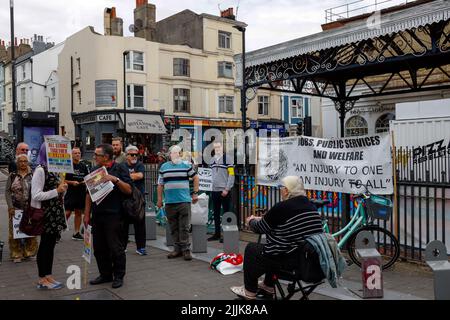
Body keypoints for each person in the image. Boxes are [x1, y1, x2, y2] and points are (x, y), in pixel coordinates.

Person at [230, 176, 324, 300]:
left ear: (286, 190)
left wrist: (251, 221)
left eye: (281, 188)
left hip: (290, 262)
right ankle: (267, 285)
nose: (280, 190)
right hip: (310, 261)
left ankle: (249, 291)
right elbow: (285, 224)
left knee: (252, 249)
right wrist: (265, 220)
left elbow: (260, 228)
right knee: (276, 247)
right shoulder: (310, 206)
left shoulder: (283, 207)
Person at [84, 144, 132, 289]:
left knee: (115, 247)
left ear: (106, 157)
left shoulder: (120, 168)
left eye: (96, 155)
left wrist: (115, 179)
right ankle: (105, 274)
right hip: (98, 214)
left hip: (114, 215)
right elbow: (88, 193)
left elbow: (129, 190)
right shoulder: (94, 170)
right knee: (99, 247)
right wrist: (86, 215)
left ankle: (118, 276)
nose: (94, 157)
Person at [32, 144, 68, 290]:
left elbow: (58, 193)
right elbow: (36, 194)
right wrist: (56, 190)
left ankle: (48, 275)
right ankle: (42, 278)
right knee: (45, 246)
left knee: (51, 246)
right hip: (46, 215)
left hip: (55, 215)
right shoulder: (40, 170)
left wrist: (62, 190)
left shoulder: (54, 170)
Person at [157, 145, 199, 261]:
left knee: (184, 227)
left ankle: (186, 250)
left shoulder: (186, 166)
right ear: (169, 155)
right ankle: (177, 249)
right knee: (173, 227)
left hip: (184, 201)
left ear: (180, 154)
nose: (176, 155)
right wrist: (159, 200)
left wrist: (195, 193)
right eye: (173, 153)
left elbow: (196, 177)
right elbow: (160, 184)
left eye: (178, 153)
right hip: (170, 202)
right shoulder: (164, 167)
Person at [5, 154, 38, 263]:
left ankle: (29, 252)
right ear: (17, 163)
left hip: (30, 208)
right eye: (20, 161)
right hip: (16, 208)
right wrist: (10, 207)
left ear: (28, 162)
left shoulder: (33, 175)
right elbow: (8, 191)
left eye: (25, 161)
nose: (23, 163)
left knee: (30, 231)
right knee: (15, 232)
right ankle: (16, 254)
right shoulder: (12, 176)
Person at [122, 145, 147, 256]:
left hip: (138, 200)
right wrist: (130, 176)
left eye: (136, 154)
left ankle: (141, 247)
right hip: (125, 198)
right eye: (132, 154)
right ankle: (122, 246)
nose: (134, 156)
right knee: (123, 224)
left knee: (140, 224)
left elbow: (140, 176)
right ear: (126, 155)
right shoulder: (121, 166)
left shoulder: (140, 165)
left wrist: (126, 177)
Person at [208, 142, 235, 242]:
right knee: (216, 213)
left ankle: (227, 235)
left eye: (219, 147)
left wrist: (227, 189)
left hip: (224, 191)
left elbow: (231, 174)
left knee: (227, 214)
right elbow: (211, 175)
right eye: (215, 147)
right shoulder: (212, 160)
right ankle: (217, 234)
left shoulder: (228, 159)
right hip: (214, 190)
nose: (217, 149)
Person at [65, 147, 90, 241]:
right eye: (75, 153)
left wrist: (85, 181)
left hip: (81, 192)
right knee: (67, 213)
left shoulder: (83, 166)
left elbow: (88, 177)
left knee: (78, 212)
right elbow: (63, 180)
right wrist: (72, 182)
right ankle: (57, 232)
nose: (77, 155)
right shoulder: (67, 166)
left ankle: (76, 232)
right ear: (71, 155)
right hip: (70, 192)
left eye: (79, 153)